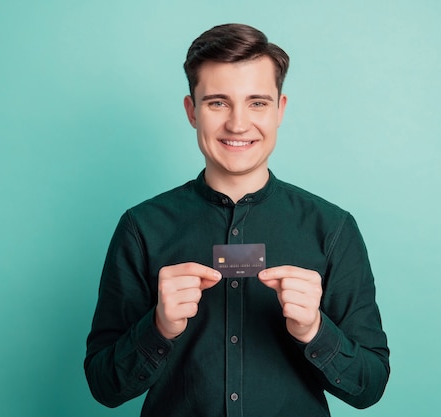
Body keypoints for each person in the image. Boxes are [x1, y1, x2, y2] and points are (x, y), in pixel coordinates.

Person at [84, 23, 390, 416]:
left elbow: (370, 386)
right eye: (218, 103)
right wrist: (157, 328)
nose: (238, 124)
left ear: (280, 110)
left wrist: (314, 331)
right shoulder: (141, 228)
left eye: (257, 102)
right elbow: (103, 387)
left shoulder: (332, 229)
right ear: (191, 111)